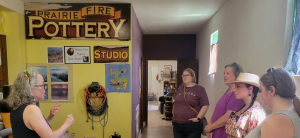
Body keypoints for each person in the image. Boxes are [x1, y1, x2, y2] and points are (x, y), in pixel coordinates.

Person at [7, 70, 74, 138]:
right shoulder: (31, 109)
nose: (45, 87)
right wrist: (67, 123)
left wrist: (50, 117)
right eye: (42, 85)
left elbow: (32, 129)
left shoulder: (17, 107)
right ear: (30, 88)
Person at [246, 68, 300, 138]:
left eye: (261, 90)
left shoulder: (278, 121)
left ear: (272, 90)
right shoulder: (290, 113)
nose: (260, 94)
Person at [204, 63, 244, 138]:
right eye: (224, 73)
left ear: (237, 74)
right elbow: (217, 111)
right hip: (216, 132)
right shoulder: (228, 90)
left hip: (224, 134)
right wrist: (209, 125)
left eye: (228, 73)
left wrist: (210, 127)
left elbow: (228, 117)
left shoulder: (237, 94)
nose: (224, 75)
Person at [225, 73, 266, 138]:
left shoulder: (256, 113)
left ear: (250, 89)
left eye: (238, 86)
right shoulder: (244, 108)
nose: (234, 90)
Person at [172, 68, 209, 138]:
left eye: (187, 75)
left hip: (192, 125)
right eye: (183, 75)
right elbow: (176, 102)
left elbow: (205, 105)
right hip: (177, 124)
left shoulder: (200, 89)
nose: (184, 77)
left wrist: (198, 118)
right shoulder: (180, 87)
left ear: (192, 76)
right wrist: (174, 114)